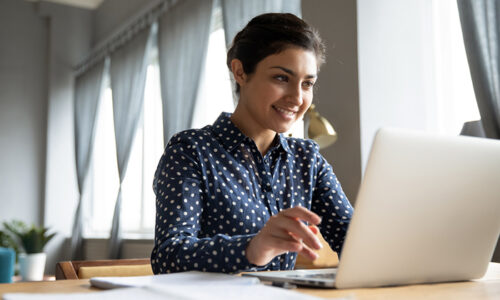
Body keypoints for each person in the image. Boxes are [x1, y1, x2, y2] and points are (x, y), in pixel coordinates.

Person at [151, 13, 353, 274]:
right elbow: (168, 256)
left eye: (307, 83)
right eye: (282, 78)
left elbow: (354, 241)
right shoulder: (191, 151)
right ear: (240, 72)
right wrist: (252, 248)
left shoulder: (307, 159)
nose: (297, 97)